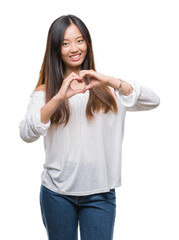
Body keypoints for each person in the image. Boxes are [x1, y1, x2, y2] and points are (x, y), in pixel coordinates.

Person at [19, 14, 160, 240]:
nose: (74, 48)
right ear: (56, 49)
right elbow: (26, 133)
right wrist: (58, 98)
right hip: (57, 194)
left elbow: (153, 101)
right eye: (65, 43)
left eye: (80, 40)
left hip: (100, 194)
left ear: (88, 43)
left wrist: (109, 80)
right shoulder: (45, 92)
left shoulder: (109, 90)